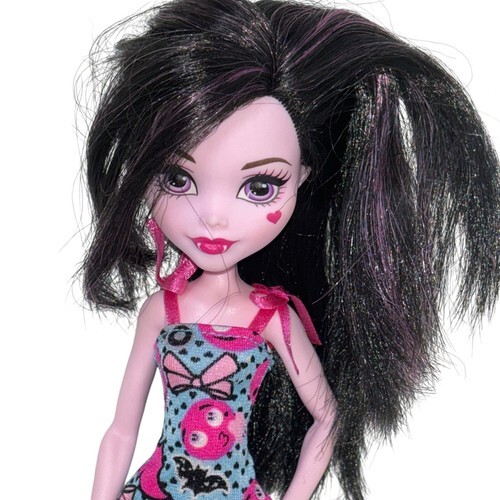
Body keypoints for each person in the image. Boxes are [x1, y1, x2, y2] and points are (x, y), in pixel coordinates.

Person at [80, 1, 499, 498]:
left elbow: (327, 417)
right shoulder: (162, 310)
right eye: (176, 178)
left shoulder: (272, 318)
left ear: (301, 179)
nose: (213, 216)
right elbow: (121, 430)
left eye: (259, 187)